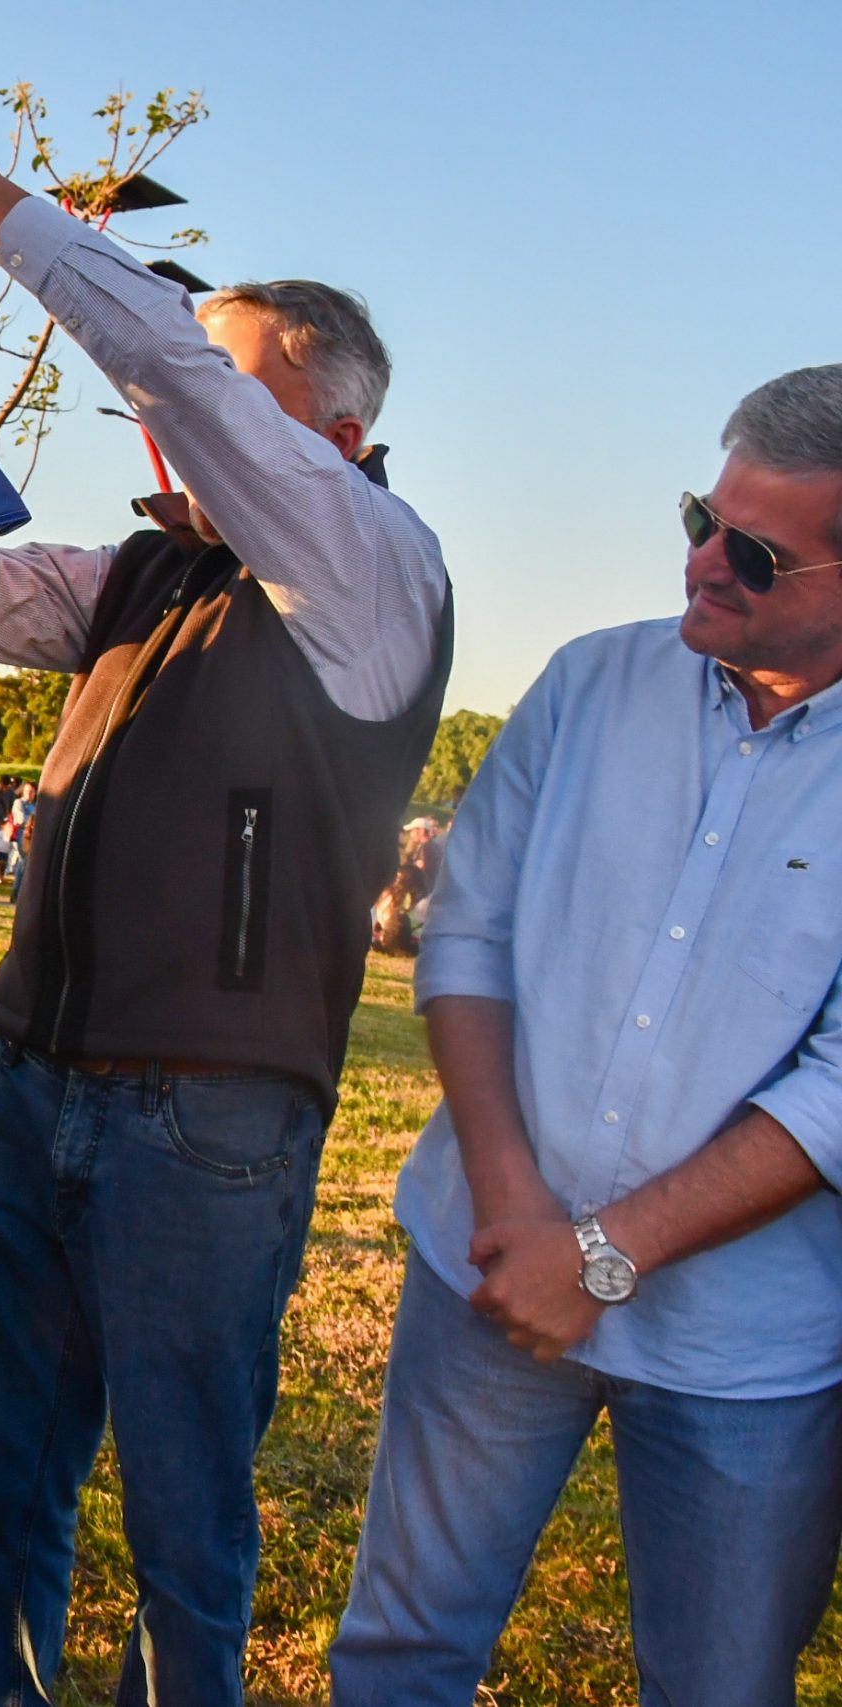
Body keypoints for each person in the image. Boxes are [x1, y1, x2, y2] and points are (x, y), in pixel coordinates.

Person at [0, 89, 452, 1704]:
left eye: (228, 397)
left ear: (332, 438)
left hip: (206, 1120)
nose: (176, 429)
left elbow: (174, 375)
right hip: (36, 1080)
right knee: (6, 1478)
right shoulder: (153, 570)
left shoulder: (374, 563)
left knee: (183, 1513)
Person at [330, 366, 842, 1705]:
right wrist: (514, 1210)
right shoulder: (589, 682)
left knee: (720, 1685)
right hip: (485, 1270)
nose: (703, 562)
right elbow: (469, 931)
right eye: (701, 517)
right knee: (400, 1653)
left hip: (745, 1347)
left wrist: (602, 1257)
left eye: (755, 552)